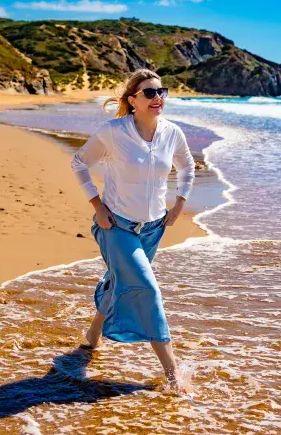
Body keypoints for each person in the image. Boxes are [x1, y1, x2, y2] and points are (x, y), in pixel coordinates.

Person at [70, 69, 195, 389]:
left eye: (161, 92)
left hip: (154, 228)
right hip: (116, 226)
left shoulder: (172, 133)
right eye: (150, 93)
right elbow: (79, 163)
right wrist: (97, 207)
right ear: (132, 100)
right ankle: (173, 375)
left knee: (119, 281)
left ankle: (92, 336)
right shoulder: (113, 131)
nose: (158, 98)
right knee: (145, 289)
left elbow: (187, 166)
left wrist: (179, 204)